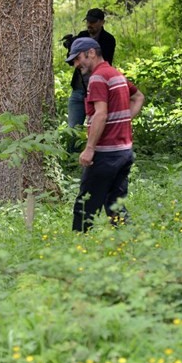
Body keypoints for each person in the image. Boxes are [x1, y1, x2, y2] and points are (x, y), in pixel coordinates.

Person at [66, 38, 144, 233]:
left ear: (91, 53)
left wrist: (89, 149)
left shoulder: (99, 77)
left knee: (85, 205)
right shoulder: (115, 74)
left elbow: (100, 113)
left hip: (106, 153)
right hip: (124, 151)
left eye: (77, 58)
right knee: (114, 204)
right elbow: (138, 97)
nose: (76, 65)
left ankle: (77, 248)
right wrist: (123, 120)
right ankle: (129, 241)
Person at [62, 8, 117, 129]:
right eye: (88, 21)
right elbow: (72, 62)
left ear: (102, 22)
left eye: (93, 22)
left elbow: (104, 62)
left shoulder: (108, 39)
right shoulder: (82, 35)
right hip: (79, 88)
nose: (89, 25)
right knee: (72, 129)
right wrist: (71, 48)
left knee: (97, 126)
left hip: (97, 89)